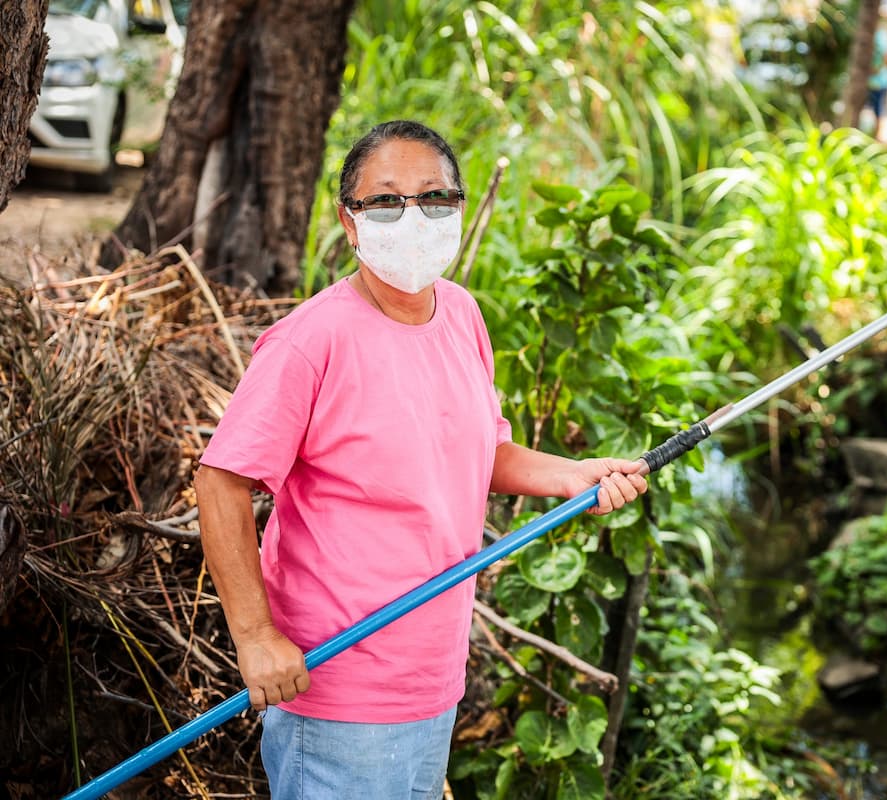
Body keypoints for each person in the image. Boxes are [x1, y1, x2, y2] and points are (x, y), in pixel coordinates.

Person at [194, 119, 650, 799]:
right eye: (386, 201)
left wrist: (572, 475)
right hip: (339, 687)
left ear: (459, 211)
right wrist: (257, 637)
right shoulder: (310, 341)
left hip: (434, 676)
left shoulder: (461, 315)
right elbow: (221, 481)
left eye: (435, 198)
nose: (413, 218)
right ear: (350, 224)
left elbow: (482, 448)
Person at [864, 26, 887, 133]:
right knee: (875, 109)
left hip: (878, 82)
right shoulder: (882, 35)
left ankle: (876, 133)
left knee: (877, 109)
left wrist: (875, 70)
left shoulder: (879, 36)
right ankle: (874, 132)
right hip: (880, 81)